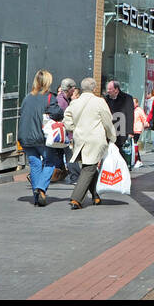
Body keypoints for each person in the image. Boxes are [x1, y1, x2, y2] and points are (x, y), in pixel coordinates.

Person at [65, 77, 116, 208]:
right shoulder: (99, 102)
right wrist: (111, 136)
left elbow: (67, 119)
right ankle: (76, 198)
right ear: (94, 88)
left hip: (79, 139)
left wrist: (73, 128)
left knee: (89, 166)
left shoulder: (74, 102)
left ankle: (96, 195)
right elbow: (107, 120)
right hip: (95, 139)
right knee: (89, 168)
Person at [19, 69, 63, 206]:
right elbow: (58, 114)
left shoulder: (27, 97)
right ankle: (41, 188)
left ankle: (37, 196)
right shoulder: (50, 97)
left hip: (25, 137)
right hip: (41, 137)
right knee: (50, 161)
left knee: (35, 164)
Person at [104, 79, 136, 167]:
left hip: (122, 130)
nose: (108, 91)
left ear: (116, 89)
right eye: (107, 89)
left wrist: (130, 132)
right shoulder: (106, 99)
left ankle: (122, 169)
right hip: (110, 131)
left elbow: (130, 115)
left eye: (110, 89)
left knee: (122, 152)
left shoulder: (127, 98)